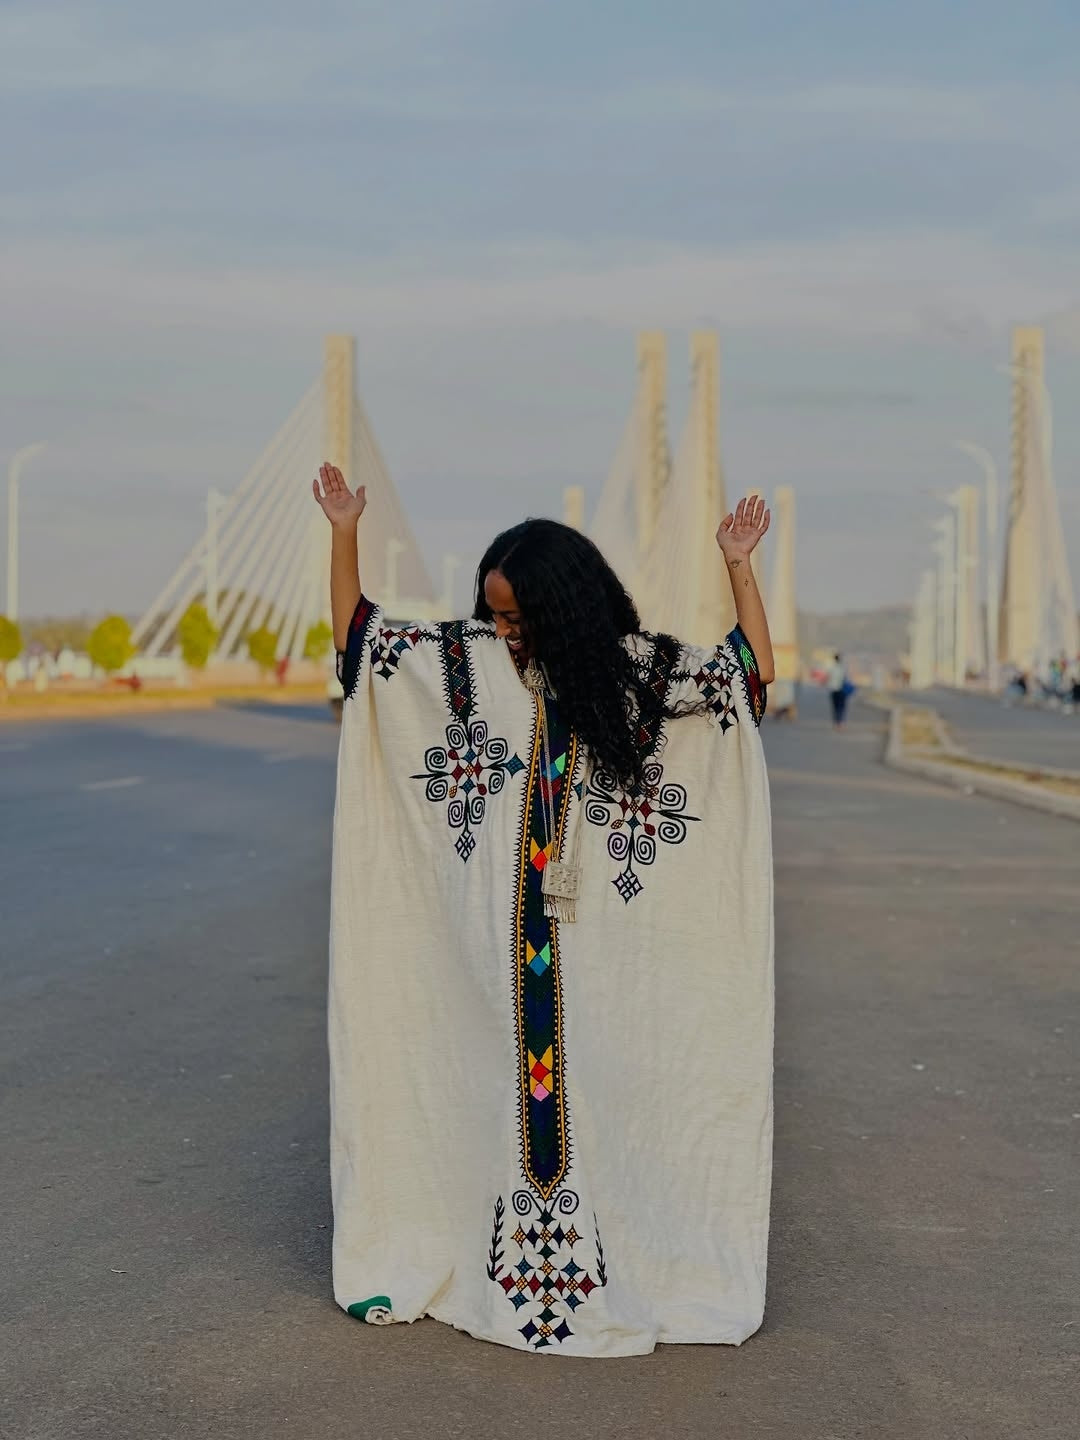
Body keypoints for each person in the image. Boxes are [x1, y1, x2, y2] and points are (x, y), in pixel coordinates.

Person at [313, 463, 775, 1357]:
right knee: (475, 1093)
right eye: (495, 614)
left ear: (566, 607)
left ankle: (633, 1259)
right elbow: (365, 648)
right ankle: (473, 1254)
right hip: (492, 965)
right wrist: (344, 536)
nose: (504, 632)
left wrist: (739, 567)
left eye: (519, 617)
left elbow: (742, 686)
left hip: (609, 961)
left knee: (622, 1105)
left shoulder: (642, 679)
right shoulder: (467, 668)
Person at [826, 652, 850, 729]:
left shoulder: (832, 668)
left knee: (835, 707)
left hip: (833, 690)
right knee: (841, 707)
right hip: (842, 690)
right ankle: (840, 722)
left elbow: (828, 678)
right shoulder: (843, 668)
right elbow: (845, 679)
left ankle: (836, 722)